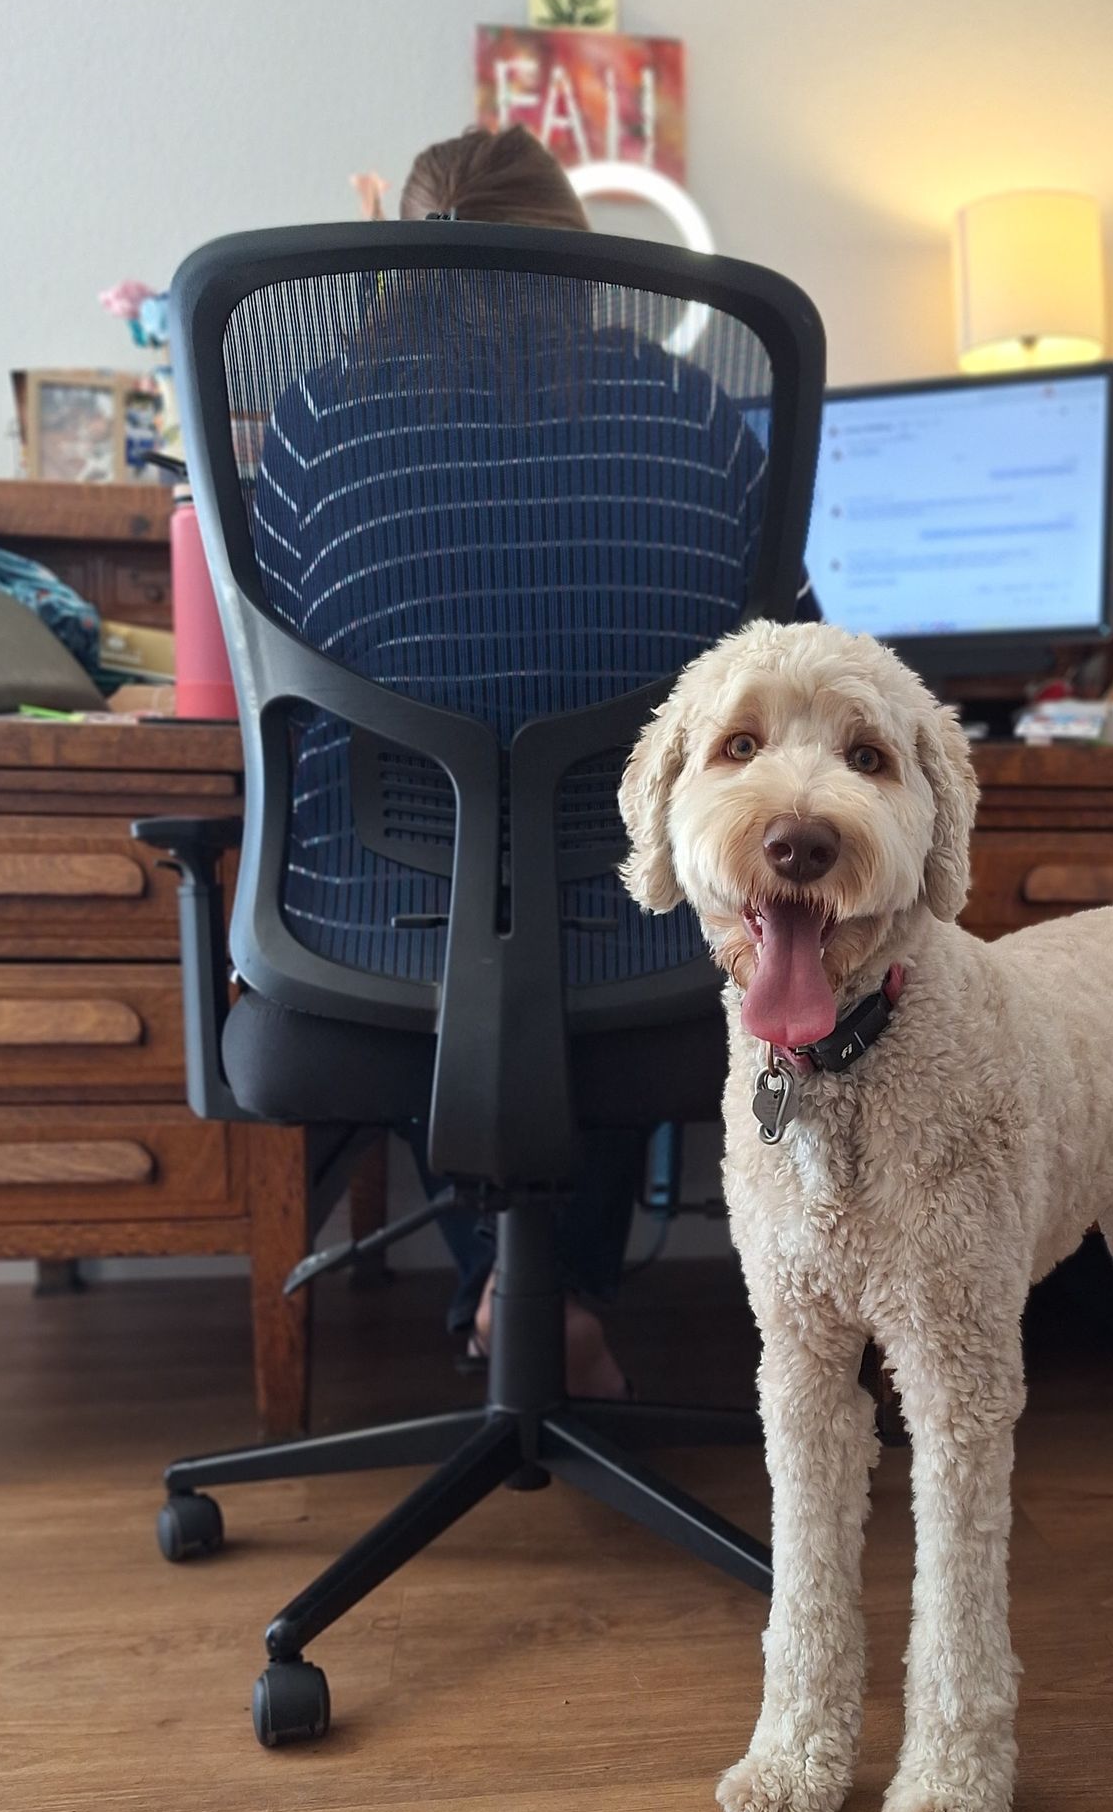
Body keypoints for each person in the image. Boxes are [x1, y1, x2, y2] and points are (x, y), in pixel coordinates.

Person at [253, 124, 773, 1398]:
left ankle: (510, 1288)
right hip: (654, 939)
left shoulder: (318, 420)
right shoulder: (693, 410)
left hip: (374, 927)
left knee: (456, 940)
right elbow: (794, 651)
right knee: (608, 917)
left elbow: (265, 674)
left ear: (395, 270)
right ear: (591, 268)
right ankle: (557, 1293)